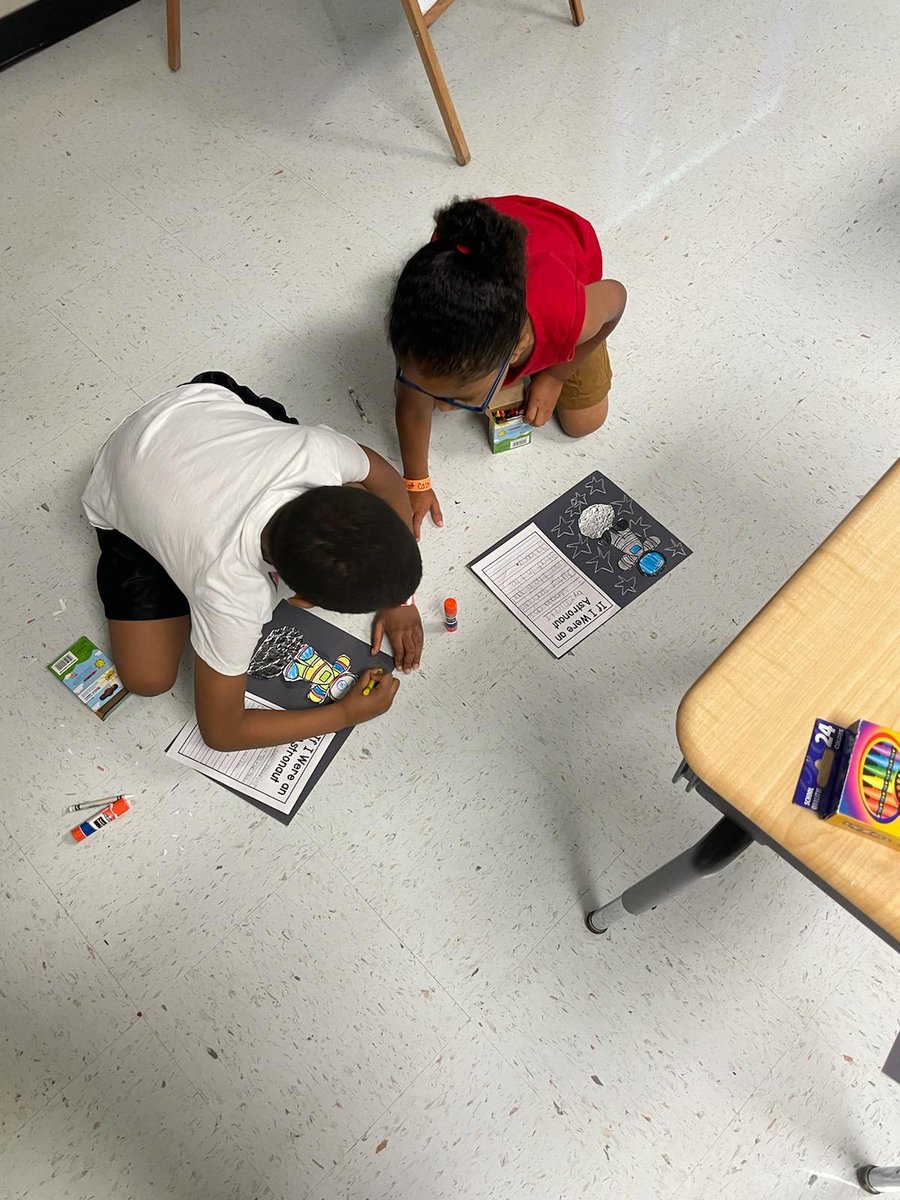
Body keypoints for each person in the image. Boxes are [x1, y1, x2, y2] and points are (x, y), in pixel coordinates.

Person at [81, 372, 424, 752]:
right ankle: (163, 548)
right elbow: (222, 732)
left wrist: (401, 600)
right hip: (117, 473)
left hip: (193, 414)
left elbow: (389, 483)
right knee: (148, 678)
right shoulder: (232, 593)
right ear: (301, 596)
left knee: (359, 480)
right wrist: (344, 715)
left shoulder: (317, 450)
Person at [389, 195, 627, 538]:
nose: (440, 408)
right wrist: (417, 482)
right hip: (480, 243)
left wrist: (556, 376)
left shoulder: (568, 313)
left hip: (559, 250)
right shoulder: (422, 329)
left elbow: (616, 299)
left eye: (457, 397)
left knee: (585, 421)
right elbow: (412, 407)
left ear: (515, 352)